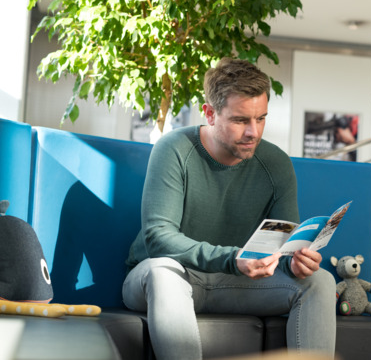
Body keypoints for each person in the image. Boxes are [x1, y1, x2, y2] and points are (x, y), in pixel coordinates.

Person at [122, 58, 337, 360]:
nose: (254, 132)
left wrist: (296, 262)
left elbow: (284, 247)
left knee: (320, 281)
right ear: (210, 113)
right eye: (240, 120)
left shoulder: (276, 165)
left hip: (234, 282)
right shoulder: (173, 149)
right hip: (167, 276)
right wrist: (233, 258)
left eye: (261, 118)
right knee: (162, 274)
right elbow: (158, 238)